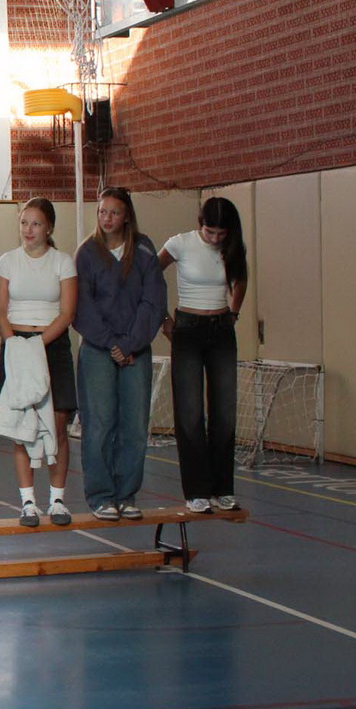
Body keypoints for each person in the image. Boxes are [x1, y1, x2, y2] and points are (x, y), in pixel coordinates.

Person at [73, 186, 166, 521]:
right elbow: (82, 306)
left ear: (126, 215)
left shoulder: (144, 249)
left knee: (135, 425)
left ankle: (126, 495)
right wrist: (111, 343)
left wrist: (129, 344)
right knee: (99, 423)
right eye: (102, 212)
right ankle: (101, 496)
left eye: (114, 212)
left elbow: (153, 301)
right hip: (98, 350)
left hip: (135, 351)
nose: (107, 218)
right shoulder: (87, 253)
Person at [160, 196, 248, 513]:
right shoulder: (180, 244)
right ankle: (196, 490)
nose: (214, 239)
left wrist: (233, 312)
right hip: (187, 328)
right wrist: (163, 319)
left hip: (221, 329)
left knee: (224, 411)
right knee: (190, 412)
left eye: (221, 234)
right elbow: (150, 275)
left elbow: (240, 280)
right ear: (201, 224)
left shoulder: (233, 247)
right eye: (210, 232)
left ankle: (222, 488)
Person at [0, 197, 78, 526]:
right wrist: (15, 345)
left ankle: (57, 500)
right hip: (17, 346)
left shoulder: (62, 262)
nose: (29, 230)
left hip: (51, 345)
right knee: (22, 428)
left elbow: (67, 312)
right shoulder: (7, 261)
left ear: (49, 228)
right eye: (24, 223)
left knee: (56, 425)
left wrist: (38, 345)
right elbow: (2, 311)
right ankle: (28, 502)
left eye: (36, 224)